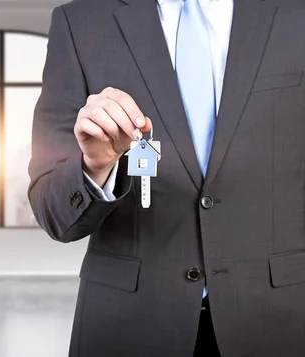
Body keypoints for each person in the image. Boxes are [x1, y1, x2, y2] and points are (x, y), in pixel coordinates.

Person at [28, 0, 305, 356]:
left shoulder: (294, 13)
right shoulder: (79, 22)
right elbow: (54, 214)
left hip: (282, 319)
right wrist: (95, 164)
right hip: (129, 325)